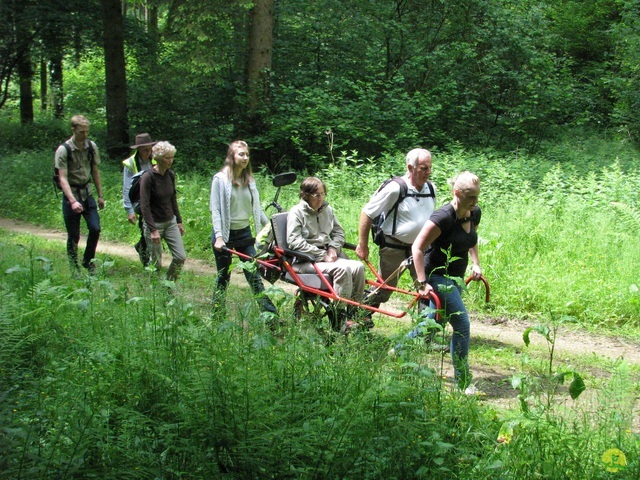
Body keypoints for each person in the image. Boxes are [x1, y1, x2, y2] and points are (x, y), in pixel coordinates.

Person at [411, 171, 482, 392]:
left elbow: (472, 240)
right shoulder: (442, 217)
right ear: (457, 193)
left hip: (456, 276)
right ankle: (463, 382)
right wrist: (422, 283)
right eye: (470, 197)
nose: (475, 201)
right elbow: (417, 248)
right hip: (437, 275)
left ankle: (399, 348)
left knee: (434, 320)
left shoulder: (474, 212)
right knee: (461, 324)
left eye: (477, 196)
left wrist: (476, 263)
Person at [355, 148, 436, 324]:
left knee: (426, 287)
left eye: (429, 168)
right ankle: (360, 316)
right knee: (384, 289)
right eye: (423, 168)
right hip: (394, 247)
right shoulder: (395, 188)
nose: (428, 172)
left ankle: (425, 333)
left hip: (420, 249)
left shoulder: (431, 188)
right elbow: (367, 213)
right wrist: (363, 245)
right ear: (410, 167)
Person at [287, 176, 365, 330]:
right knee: (342, 269)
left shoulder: (327, 210)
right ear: (306, 195)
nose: (321, 198)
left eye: (323, 194)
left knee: (358, 267)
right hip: (305, 260)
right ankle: (339, 316)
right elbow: (293, 241)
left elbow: (339, 233)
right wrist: (321, 255)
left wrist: (333, 249)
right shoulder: (296, 212)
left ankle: (354, 311)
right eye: (317, 195)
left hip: (327, 256)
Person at [210, 140, 278, 317]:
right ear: (231, 156)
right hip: (224, 235)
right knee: (224, 276)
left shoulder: (249, 180)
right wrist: (218, 237)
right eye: (241, 154)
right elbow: (215, 210)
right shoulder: (220, 179)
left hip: (244, 234)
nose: (245, 157)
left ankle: (270, 317)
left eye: (247, 154)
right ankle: (217, 313)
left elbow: (256, 207)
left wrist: (270, 225)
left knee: (253, 275)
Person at [54, 114, 104, 274]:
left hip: (87, 193)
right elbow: (62, 178)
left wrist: (100, 195)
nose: (85, 135)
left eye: (87, 131)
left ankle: (88, 261)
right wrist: (72, 201)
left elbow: (95, 171)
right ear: (73, 129)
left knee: (95, 228)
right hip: (72, 194)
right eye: (81, 132)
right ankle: (73, 265)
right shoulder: (64, 150)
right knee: (74, 234)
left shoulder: (91, 146)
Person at [139, 141, 186, 282]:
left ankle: (168, 285)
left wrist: (179, 221)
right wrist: (152, 230)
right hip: (154, 224)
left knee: (180, 257)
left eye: (172, 157)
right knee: (156, 263)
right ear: (158, 158)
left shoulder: (170, 175)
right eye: (167, 158)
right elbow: (144, 205)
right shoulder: (148, 177)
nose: (170, 161)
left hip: (170, 222)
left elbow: (173, 199)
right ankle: (155, 293)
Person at [122, 132, 156, 267]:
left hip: (154, 199)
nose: (148, 152)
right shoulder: (130, 164)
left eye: (149, 148)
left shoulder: (155, 159)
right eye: (145, 149)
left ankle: (141, 246)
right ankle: (146, 258)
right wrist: (129, 210)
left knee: (154, 226)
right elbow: (126, 187)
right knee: (145, 226)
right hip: (139, 200)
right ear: (138, 149)